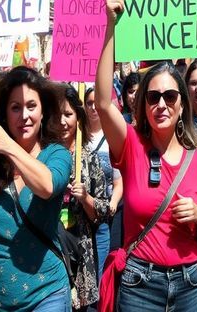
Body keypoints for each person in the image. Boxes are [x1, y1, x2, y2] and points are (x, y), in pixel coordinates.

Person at [95, 0, 197, 312]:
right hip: (140, 285)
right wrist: (110, 26)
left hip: (189, 284)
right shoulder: (132, 145)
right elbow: (103, 103)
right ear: (143, 104)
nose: (161, 104)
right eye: (153, 97)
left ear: (182, 105)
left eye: (170, 96)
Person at [0, 66, 73, 311]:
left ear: (43, 112)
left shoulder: (57, 155)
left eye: (31, 106)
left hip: (46, 294)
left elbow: (46, 186)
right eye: (15, 108)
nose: (24, 115)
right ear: (4, 115)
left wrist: (8, 146)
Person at [59, 85, 109, 312]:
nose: (62, 122)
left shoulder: (89, 158)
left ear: (78, 117)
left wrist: (86, 198)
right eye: (57, 115)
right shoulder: (42, 156)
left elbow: (103, 210)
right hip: (51, 250)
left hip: (81, 249)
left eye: (68, 114)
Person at [81, 87, 123, 274]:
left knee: (102, 267)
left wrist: (113, 203)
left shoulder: (111, 137)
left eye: (96, 103)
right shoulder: (78, 136)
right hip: (80, 215)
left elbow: (119, 181)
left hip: (104, 216)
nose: (93, 107)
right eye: (89, 103)